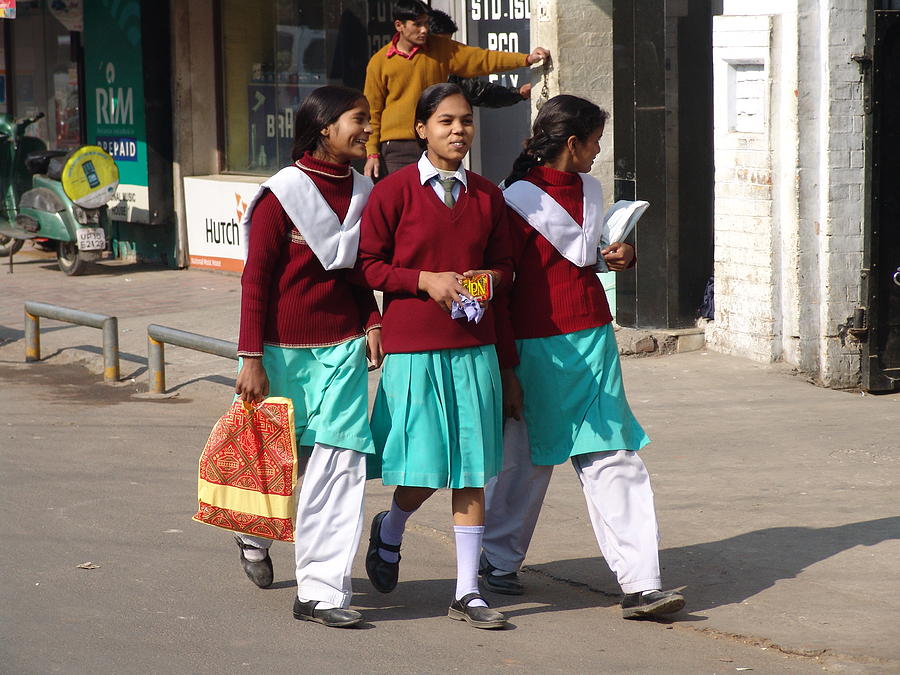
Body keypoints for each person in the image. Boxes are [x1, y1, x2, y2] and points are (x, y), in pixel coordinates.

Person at [482, 94, 686, 620]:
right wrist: (507, 367)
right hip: (534, 347)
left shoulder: (589, 190)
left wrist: (620, 256)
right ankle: (495, 559)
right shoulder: (513, 202)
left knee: (613, 455)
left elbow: (583, 257)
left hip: (593, 337)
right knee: (526, 459)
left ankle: (642, 583)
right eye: (594, 141)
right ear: (572, 143)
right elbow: (500, 292)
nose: (598, 151)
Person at [357, 83, 514, 629]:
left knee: (471, 469)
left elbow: (506, 267)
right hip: (414, 348)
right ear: (421, 129)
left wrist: (487, 280)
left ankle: (467, 590)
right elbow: (368, 266)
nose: (458, 130)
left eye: (466, 120)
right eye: (445, 121)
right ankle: (391, 528)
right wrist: (424, 280)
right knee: (424, 467)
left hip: (474, 349)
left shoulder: (488, 196)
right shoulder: (392, 193)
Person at [233, 85, 383, 629]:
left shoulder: (365, 191)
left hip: (342, 349)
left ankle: (321, 591)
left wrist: (372, 320)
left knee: (341, 464)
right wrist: (251, 356)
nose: (367, 129)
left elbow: (357, 271)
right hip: (279, 352)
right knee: (279, 460)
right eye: (358, 119)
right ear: (324, 127)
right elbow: (255, 281)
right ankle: (253, 534)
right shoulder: (282, 194)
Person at [363, 0, 549, 178]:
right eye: (417, 24)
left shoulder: (441, 48)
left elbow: (482, 59)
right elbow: (372, 111)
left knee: (441, 194)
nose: (424, 30)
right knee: (401, 196)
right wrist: (371, 153)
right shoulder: (379, 62)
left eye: (426, 23)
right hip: (397, 148)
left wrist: (526, 59)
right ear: (399, 25)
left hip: (436, 140)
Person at [428, 9, 532, 108]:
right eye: (442, 46)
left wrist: (518, 93)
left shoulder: (451, 72)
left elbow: (479, 92)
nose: (447, 52)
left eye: (449, 45)